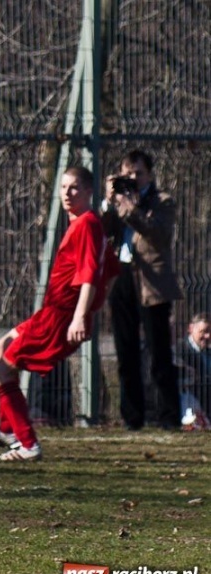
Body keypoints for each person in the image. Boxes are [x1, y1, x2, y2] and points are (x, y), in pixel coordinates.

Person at [0, 166, 118, 461]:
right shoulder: (86, 223)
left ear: (89, 191)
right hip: (53, 312)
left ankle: (27, 445)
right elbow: (112, 270)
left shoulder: (87, 224)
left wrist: (81, 315)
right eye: (64, 187)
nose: (67, 193)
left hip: (60, 318)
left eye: (75, 188)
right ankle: (7, 430)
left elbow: (91, 275)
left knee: (2, 371)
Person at [101, 150, 182, 430]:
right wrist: (109, 201)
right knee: (126, 353)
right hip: (122, 276)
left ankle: (169, 417)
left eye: (139, 173)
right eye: (128, 173)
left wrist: (129, 206)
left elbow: (156, 233)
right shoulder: (118, 201)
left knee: (159, 354)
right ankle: (131, 418)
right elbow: (103, 230)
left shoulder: (162, 202)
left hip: (152, 283)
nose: (133, 178)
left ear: (150, 174)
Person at [176, 312, 211, 426]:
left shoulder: (207, 352)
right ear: (191, 328)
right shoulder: (180, 351)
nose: (208, 336)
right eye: (203, 331)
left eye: (210, 332)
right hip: (190, 402)